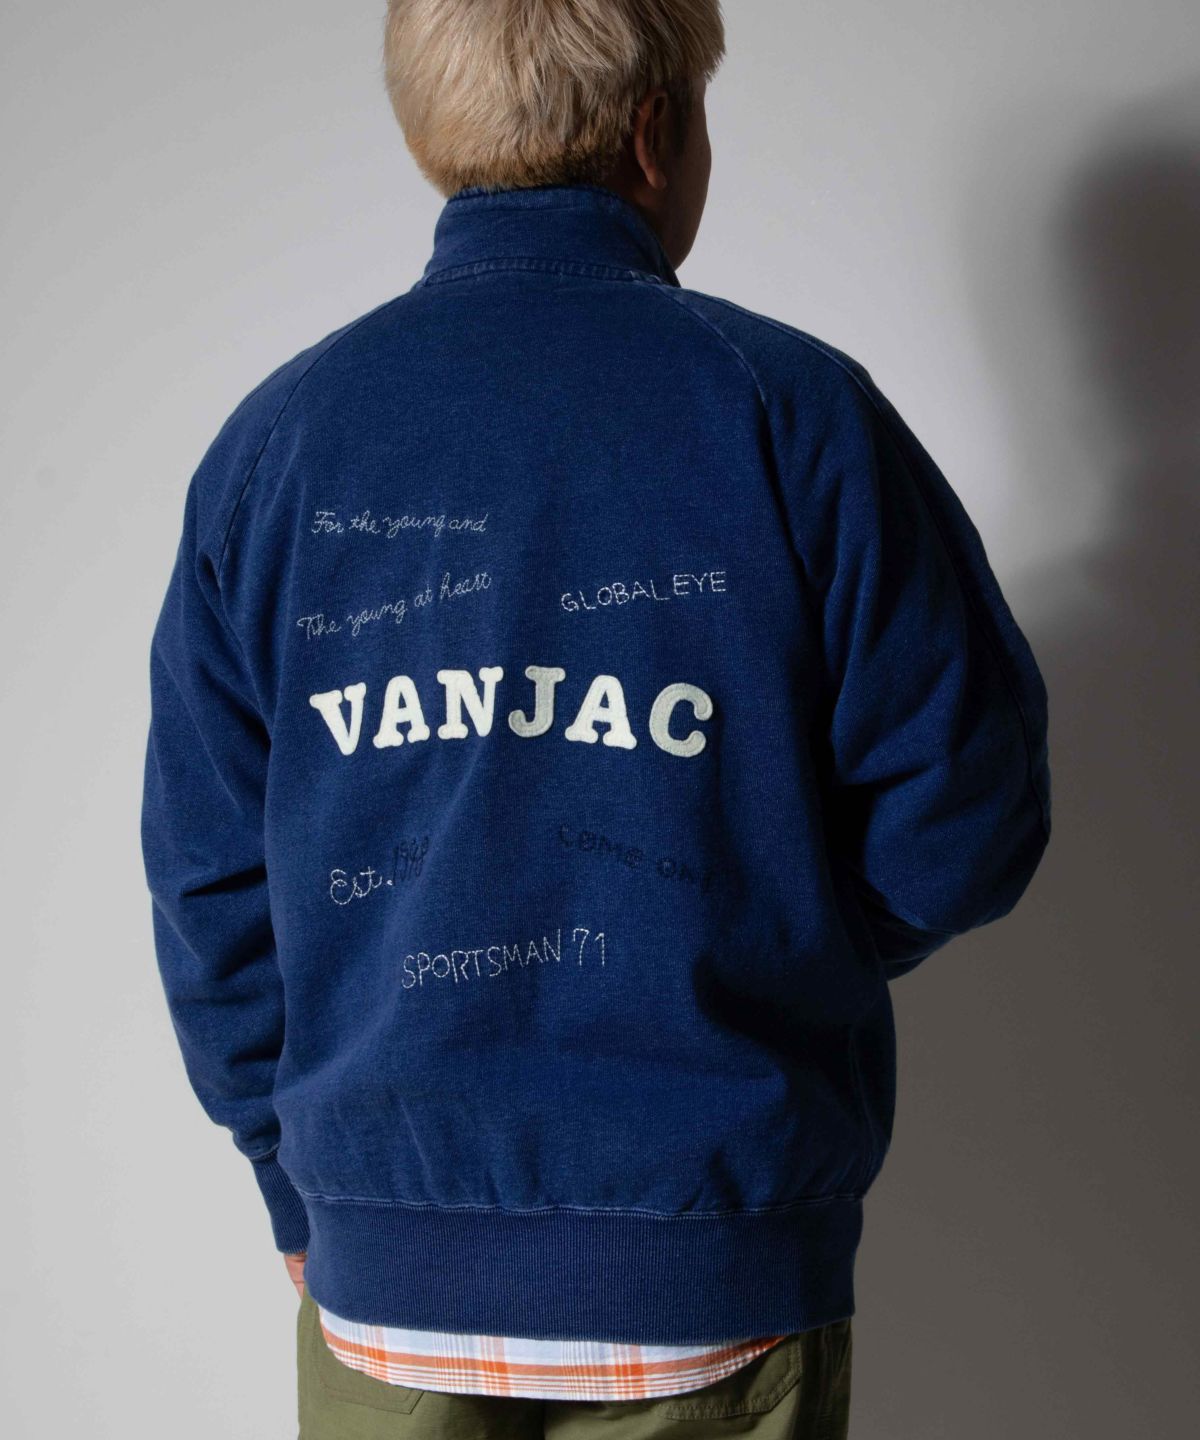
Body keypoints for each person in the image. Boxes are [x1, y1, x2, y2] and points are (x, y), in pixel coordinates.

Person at [140, 2, 1052, 1436]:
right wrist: (765, 921)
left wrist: (291, 1180)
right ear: (656, 132)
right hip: (715, 1271)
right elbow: (967, 820)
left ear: (433, 135)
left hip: (384, 1282)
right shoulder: (797, 418)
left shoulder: (278, 448)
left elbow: (208, 882)